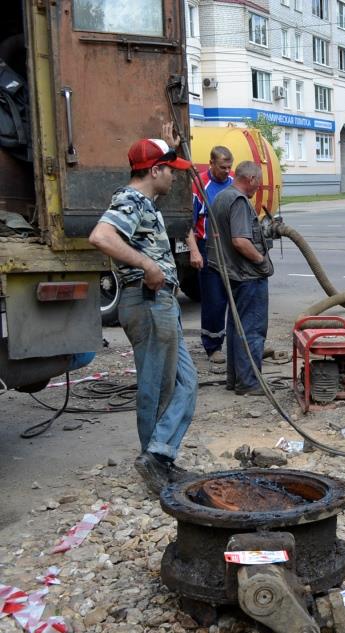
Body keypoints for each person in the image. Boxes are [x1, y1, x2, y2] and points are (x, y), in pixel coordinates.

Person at [87, 133, 198, 493]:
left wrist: (172, 138)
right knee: (157, 388)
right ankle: (154, 461)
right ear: (155, 171)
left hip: (162, 303)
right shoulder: (130, 199)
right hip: (148, 302)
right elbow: (102, 236)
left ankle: (160, 455)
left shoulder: (146, 203)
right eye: (170, 171)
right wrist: (147, 265)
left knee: (186, 383)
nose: (175, 177)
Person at [207, 160, 274, 396]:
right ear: (251, 179)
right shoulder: (238, 201)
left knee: (237, 327)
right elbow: (240, 240)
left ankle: (235, 380)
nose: (259, 187)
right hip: (247, 276)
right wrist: (261, 261)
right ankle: (249, 383)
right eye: (259, 182)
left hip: (233, 274)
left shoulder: (222, 197)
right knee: (252, 330)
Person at [186, 145, 234, 364]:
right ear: (212, 163)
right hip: (208, 248)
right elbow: (189, 222)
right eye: (223, 167)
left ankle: (236, 342)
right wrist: (194, 251)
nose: (227, 171)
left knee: (233, 297)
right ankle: (213, 346)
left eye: (229, 167)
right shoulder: (199, 185)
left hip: (232, 248)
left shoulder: (234, 183)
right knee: (214, 299)